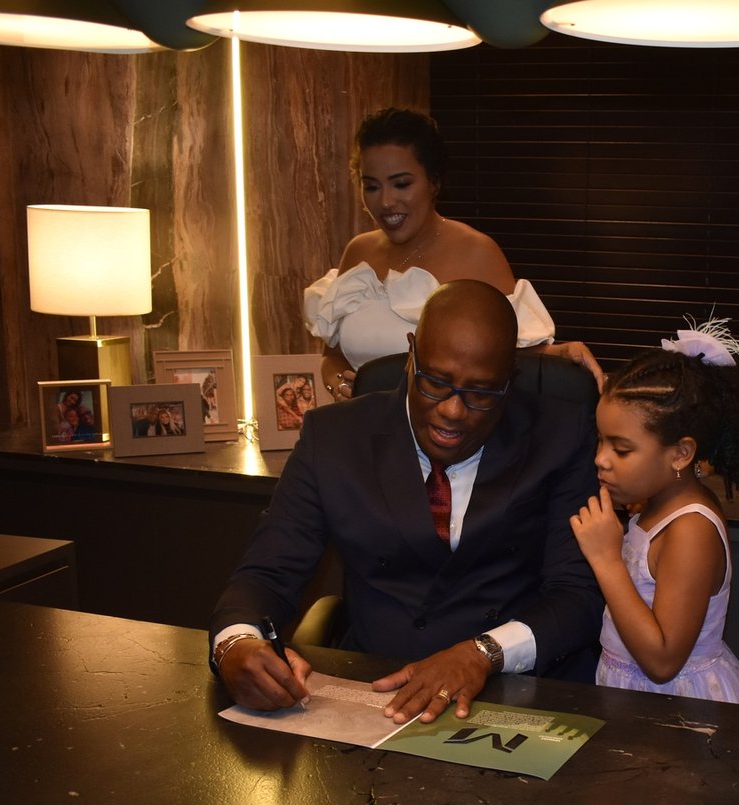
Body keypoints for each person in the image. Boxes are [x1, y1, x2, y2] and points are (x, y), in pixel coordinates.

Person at [210, 279, 603, 724]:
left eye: (481, 392)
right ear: (411, 353)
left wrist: (483, 653)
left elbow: (579, 595)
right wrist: (235, 642)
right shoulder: (334, 438)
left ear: (509, 377)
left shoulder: (562, 434)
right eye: (436, 382)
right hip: (379, 689)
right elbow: (268, 572)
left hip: (518, 691)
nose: (453, 411)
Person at [304, 107, 602, 400]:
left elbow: (515, 356)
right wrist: (338, 385)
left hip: (446, 426)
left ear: (433, 182)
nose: (385, 202)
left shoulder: (477, 253)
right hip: (365, 422)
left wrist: (563, 354)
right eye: (371, 186)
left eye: (401, 184)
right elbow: (333, 355)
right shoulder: (358, 251)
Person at [570, 324, 739, 705]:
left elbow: (663, 660)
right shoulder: (657, 503)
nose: (601, 459)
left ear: (681, 454)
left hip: (677, 705)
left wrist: (606, 560)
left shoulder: (691, 530)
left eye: (621, 449)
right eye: (600, 441)